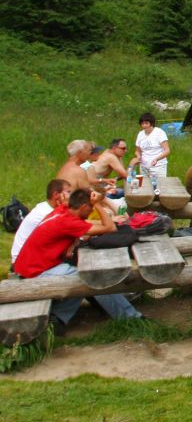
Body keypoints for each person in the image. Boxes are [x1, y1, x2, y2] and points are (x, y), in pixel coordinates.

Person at [13, 188, 141, 331]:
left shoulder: (63, 210)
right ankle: (130, 317)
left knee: (84, 276)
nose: (91, 211)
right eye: (90, 208)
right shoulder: (68, 222)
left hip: (30, 265)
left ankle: (59, 318)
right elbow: (110, 228)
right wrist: (98, 203)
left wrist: (73, 240)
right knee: (92, 278)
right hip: (35, 271)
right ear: (84, 207)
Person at [10, 179, 71, 265]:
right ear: (56, 195)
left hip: (29, 257)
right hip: (24, 262)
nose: (71, 196)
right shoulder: (46, 213)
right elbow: (75, 227)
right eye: (69, 192)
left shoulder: (47, 206)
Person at [133, 112, 170, 183]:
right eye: (142, 123)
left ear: (151, 123)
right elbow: (137, 151)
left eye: (146, 123)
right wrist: (138, 156)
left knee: (159, 186)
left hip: (158, 166)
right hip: (144, 166)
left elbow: (167, 150)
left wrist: (157, 159)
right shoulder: (140, 134)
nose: (144, 125)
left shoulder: (159, 133)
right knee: (145, 186)